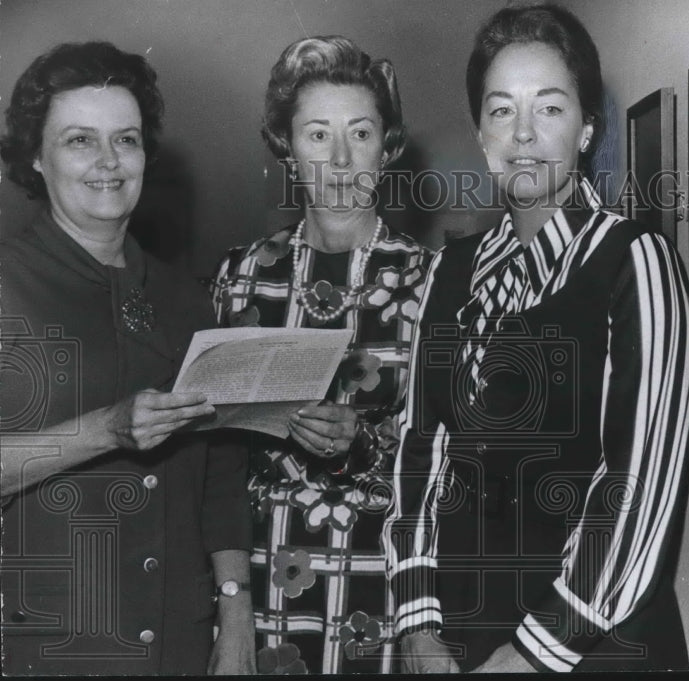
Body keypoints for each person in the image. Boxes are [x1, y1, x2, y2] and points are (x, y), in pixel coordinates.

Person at [384, 4, 689, 673]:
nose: (522, 133)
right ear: (480, 130)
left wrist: (529, 655)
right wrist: (417, 621)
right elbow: (423, 450)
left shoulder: (633, 260)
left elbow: (639, 488)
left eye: (549, 108)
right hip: (459, 632)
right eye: (501, 111)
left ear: (586, 128)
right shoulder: (452, 268)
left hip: (591, 640)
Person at [0, 42, 254, 675]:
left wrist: (237, 616)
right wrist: (104, 429)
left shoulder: (186, 298)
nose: (109, 163)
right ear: (36, 155)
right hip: (56, 645)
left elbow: (219, 478)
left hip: (179, 640)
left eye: (127, 140)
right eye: (80, 140)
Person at [211, 35, 433, 674]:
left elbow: (453, 456)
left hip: (385, 581)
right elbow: (214, 459)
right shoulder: (242, 276)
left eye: (360, 134)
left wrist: (362, 443)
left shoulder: (435, 279)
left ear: (387, 147)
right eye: (316, 136)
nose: (340, 160)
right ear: (286, 146)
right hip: (264, 581)